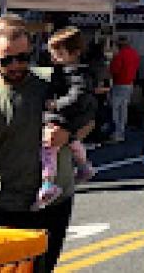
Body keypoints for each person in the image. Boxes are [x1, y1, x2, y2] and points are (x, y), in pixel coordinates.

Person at [0, 22, 82, 272]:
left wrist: (69, 133)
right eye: (8, 60)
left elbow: (91, 116)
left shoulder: (53, 81)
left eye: (23, 58)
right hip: (10, 207)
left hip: (56, 202)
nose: (16, 65)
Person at [36, 28, 96, 209]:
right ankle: (84, 166)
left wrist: (55, 104)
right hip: (69, 118)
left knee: (49, 147)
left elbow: (78, 96)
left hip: (63, 116)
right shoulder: (67, 71)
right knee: (72, 141)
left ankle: (48, 182)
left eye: (59, 53)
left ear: (75, 53)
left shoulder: (76, 73)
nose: (54, 57)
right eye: (53, 53)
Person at [108, 35, 140, 144]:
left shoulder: (119, 55)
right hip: (129, 84)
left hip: (119, 84)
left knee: (115, 109)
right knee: (123, 109)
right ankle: (121, 132)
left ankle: (116, 134)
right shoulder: (134, 53)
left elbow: (114, 70)